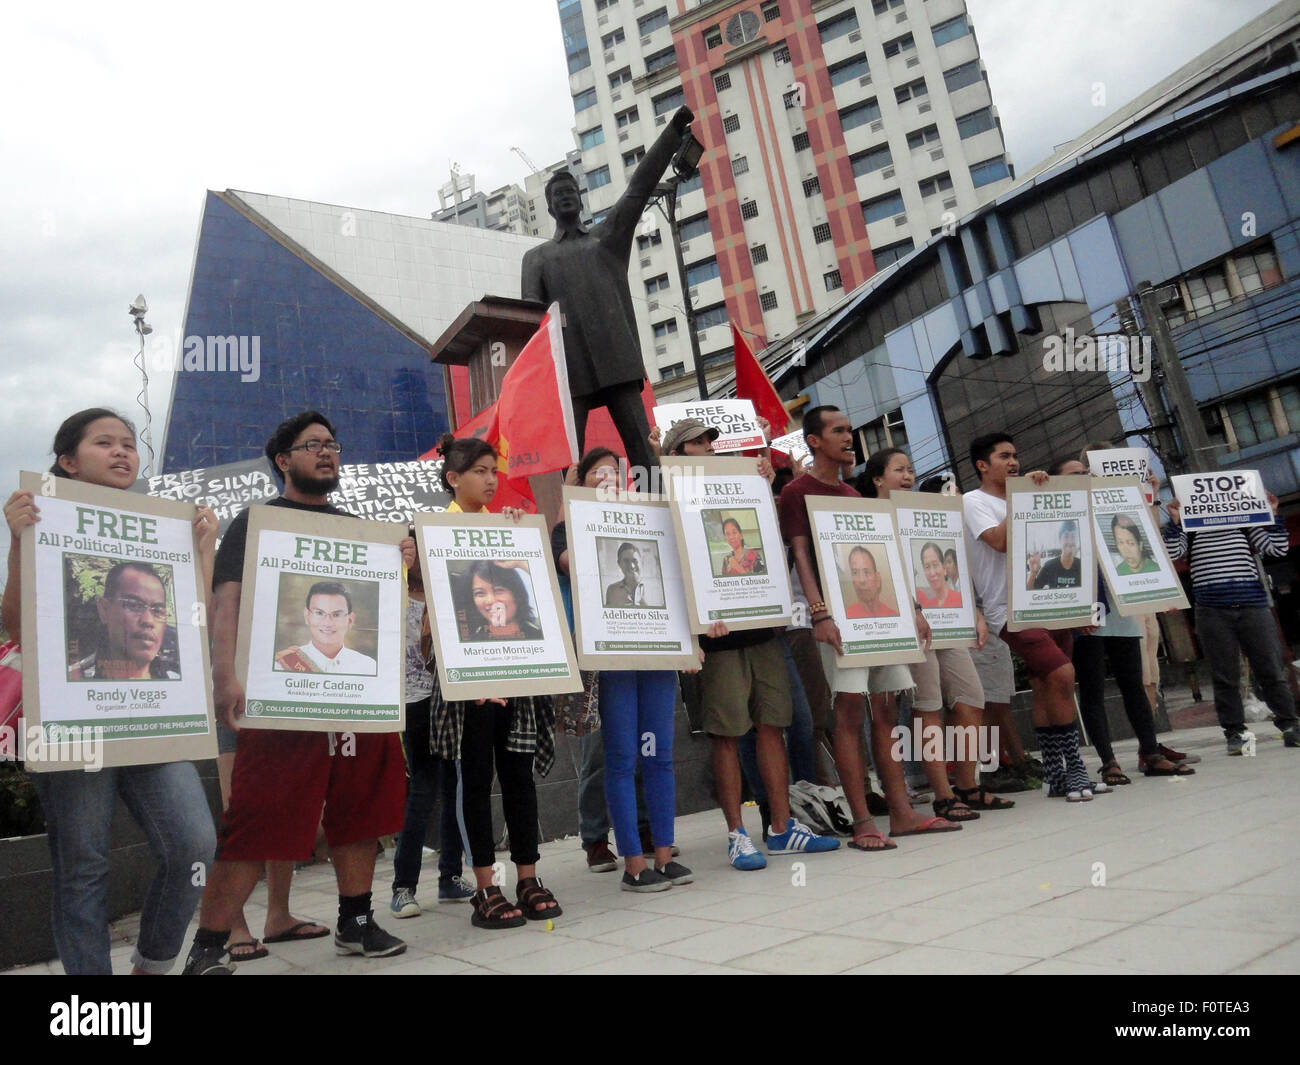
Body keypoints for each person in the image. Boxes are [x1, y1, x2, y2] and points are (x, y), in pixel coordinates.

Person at [182, 411, 409, 974]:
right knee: (256, 819)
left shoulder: (357, 527)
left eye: (333, 444)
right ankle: (208, 948)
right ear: (284, 460)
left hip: (356, 702)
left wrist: (401, 563)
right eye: (313, 446)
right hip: (278, 700)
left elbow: (385, 608)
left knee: (357, 812)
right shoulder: (254, 523)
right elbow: (226, 601)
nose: (328, 453)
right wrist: (224, 676)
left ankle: (356, 920)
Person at [3, 408, 217, 975]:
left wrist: (202, 548)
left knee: (194, 845)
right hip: (75, 723)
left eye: (129, 444)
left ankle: (153, 964)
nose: (123, 453)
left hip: (156, 721)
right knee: (83, 866)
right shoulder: (41, 517)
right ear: (68, 460)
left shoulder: (166, 526)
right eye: (105, 443)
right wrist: (19, 542)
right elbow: (18, 625)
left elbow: (199, 618)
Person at [663, 419, 839, 867]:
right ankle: (737, 834)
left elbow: (779, 531)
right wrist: (693, 626)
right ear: (676, 453)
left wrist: (763, 477)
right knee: (726, 733)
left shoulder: (745, 483)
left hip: (762, 627)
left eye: (709, 441)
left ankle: (782, 828)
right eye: (696, 443)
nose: (707, 448)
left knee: (772, 726)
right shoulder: (667, 496)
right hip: (717, 636)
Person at [781, 410, 959, 848]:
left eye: (849, 431)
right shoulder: (796, 492)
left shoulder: (851, 492)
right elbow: (801, 555)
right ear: (814, 441)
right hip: (838, 621)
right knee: (847, 714)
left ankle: (901, 812)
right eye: (838, 431)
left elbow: (883, 555)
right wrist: (820, 613)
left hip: (882, 618)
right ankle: (863, 820)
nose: (849, 438)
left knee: (885, 709)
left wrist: (914, 607)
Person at [430, 434, 561, 927]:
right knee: (476, 782)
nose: (490, 480)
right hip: (468, 684)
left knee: (519, 778)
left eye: (493, 471)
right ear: (453, 478)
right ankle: (484, 885)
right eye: (479, 471)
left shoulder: (505, 529)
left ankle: (527, 876)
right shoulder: (434, 531)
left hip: (517, 676)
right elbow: (433, 612)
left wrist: (519, 541)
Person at [520, 106, 696, 472]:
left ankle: (662, 512)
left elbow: (639, 186)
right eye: (557, 195)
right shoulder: (537, 258)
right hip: (569, 370)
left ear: (580, 198)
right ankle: (570, 525)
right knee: (570, 461)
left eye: (570, 191)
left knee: (644, 456)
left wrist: (672, 135)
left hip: (618, 361)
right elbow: (530, 325)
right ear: (549, 207)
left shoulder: (607, 239)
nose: (565, 197)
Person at [863, 447, 1012, 819]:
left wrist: (974, 612)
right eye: (899, 470)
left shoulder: (928, 515)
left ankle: (968, 784)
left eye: (911, 469)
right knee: (927, 706)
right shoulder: (874, 517)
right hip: (911, 626)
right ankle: (943, 795)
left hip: (949, 620)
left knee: (971, 698)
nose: (908, 475)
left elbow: (955, 566)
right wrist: (913, 610)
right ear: (878, 478)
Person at [963, 432, 1099, 801]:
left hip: (1050, 601)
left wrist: (1078, 603)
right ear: (982, 465)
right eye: (1004, 456)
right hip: (1008, 610)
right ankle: (1075, 767)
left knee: (1045, 683)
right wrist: (1021, 499)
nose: (1014, 463)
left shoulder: (1024, 494)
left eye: (1016, 456)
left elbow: (1063, 542)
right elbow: (999, 541)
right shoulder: (973, 502)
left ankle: (1056, 775)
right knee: (1063, 673)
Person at [1052, 456, 1193, 783]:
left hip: (1122, 607)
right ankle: (1108, 761)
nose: (1084, 477)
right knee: (1092, 690)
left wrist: (1160, 593)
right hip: (1084, 614)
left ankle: (1151, 752)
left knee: (1135, 683)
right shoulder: (1057, 518)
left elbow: (1146, 544)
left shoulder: (1110, 507)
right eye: (1074, 474)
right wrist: (1073, 613)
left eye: (1086, 472)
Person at [1162, 479, 1299, 753]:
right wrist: (1176, 522)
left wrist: (1272, 514)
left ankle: (1290, 724)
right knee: (1225, 675)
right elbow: (1171, 553)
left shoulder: (1244, 521)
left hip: (1253, 605)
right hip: (1212, 610)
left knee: (1271, 670)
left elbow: (1277, 549)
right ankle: (1234, 732)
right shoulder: (1191, 528)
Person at [389, 589, 474, 920]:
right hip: (416, 698)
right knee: (424, 789)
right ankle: (403, 886)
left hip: (453, 692)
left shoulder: (448, 582)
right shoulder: (395, 583)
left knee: (454, 784)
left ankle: (450, 876)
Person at [68, 562, 179, 680]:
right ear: (104, 610)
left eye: (157, 611)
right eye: (134, 605)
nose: (148, 621)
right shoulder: (74, 678)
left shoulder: (177, 680)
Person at [274, 580, 378, 673]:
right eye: (319, 613)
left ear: (350, 620)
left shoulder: (369, 667)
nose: (327, 623)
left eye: (336, 615)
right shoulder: (282, 665)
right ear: (307, 616)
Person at [461, 560, 544, 641]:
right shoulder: (472, 640)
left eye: (498, 590)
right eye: (480, 593)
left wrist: (520, 563)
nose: (490, 601)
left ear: (517, 594)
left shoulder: (540, 635)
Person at [843, 545, 900, 618]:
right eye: (855, 573)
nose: (861, 580)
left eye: (866, 572)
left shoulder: (893, 616)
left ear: (878, 579)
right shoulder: (846, 616)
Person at [1027, 521, 1082, 590]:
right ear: (1060, 540)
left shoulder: (1082, 566)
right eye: (1066, 536)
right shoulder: (1049, 566)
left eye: (1073, 537)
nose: (1070, 541)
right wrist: (1033, 573)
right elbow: (1031, 591)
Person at [917, 542, 963, 609]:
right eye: (927, 567)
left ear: (944, 568)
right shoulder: (927, 605)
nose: (932, 573)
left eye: (935, 565)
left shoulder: (960, 600)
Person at [605, 542, 649, 607]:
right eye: (626, 561)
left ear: (642, 562)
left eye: (634, 560)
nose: (632, 566)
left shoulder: (656, 590)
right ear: (619, 564)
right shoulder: (612, 591)